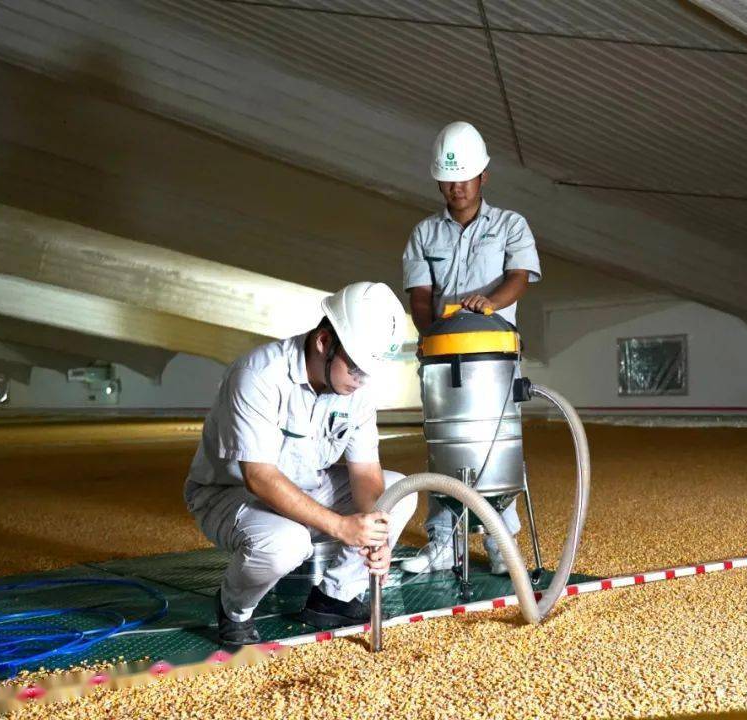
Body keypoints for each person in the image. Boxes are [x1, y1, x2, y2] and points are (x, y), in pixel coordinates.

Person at [183, 281, 415, 646]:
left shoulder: (357, 389)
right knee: (287, 544)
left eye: (369, 371)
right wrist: (342, 527)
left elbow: (366, 472)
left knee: (398, 493)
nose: (362, 381)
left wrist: (375, 538)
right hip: (233, 496)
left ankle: (333, 598)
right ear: (324, 341)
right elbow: (258, 477)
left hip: (309, 483)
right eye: (356, 368)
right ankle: (234, 609)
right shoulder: (258, 377)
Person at [401, 121, 542, 575]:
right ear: (438, 180)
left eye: (465, 177)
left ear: (483, 176)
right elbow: (420, 296)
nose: (456, 187)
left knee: (494, 446)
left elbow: (519, 277)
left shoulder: (510, 225)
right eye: (448, 179)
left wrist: (490, 303)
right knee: (446, 449)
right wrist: (432, 334)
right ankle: (445, 544)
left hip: (494, 358)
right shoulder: (424, 234)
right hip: (443, 360)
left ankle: (502, 544)